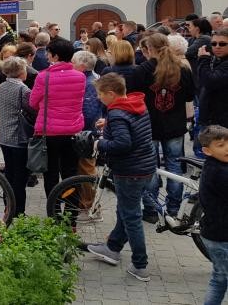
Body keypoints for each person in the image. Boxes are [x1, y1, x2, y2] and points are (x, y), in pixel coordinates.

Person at [87, 73, 157, 282]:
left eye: (100, 95)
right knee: (126, 211)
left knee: (132, 217)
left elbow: (123, 144)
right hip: (146, 166)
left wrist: (99, 143)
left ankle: (140, 265)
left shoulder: (117, 113)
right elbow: (131, 128)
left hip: (130, 171)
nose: (99, 98)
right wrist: (108, 123)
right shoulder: (135, 103)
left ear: (110, 93)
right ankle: (113, 248)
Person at [132, 33, 195, 221]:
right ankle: (174, 208)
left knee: (150, 167)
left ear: (149, 49)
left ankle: (152, 210)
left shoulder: (143, 69)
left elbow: (133, 96)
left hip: (148, 125)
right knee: (174, 165)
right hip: (174, 124)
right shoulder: (182, 68)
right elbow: (190, 95)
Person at [30, 38, 85, 197]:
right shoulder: (80, 76)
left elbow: (33, 102)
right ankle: (71, 214)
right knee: (71, 173)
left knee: (51, 174)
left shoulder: (43, 77)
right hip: (73, 130)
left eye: (48, 53)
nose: (47, 56)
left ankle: (54, 214)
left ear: (55, 56)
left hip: (49, 132)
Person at [0, 57, 34, 216]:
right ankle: (18, 211)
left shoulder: (3, 85)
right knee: (20, 177)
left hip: (5, 136)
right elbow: (32, 109)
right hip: (19, 137)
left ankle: (8, 206)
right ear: (20, 72)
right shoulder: (23, 89)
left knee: (9, 174)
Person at [197, 125, 228, 305]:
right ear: (207, 151)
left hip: (216, 233)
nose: (227, 149)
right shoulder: (219, 172)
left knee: (220, 278)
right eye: (221, 145)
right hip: (220, 236)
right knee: (219, 279)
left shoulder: (218, 165)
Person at [71, 50, 103, 222]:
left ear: (82, 66)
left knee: (86, 168)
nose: (71, 65)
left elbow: (89, 113)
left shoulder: (89, 83)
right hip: (87, 131)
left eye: (73, 62)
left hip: (86, 133)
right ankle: (86, 202)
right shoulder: (93, 79)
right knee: (84, 168)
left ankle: (90, 205)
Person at [197, 28, 228, 128]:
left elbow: (210, 81)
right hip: (211, 120)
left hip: (221, 123)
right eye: (214, 44)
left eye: (222, 44)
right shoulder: (216, 59)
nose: (217, 47)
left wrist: (203, 59)